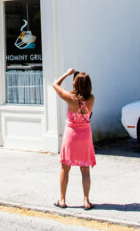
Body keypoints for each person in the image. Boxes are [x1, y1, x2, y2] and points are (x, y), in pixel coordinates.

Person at [51, 67, 95, 210]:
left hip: (71, 135)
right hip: (85, 135)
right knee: (85, 169)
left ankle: (62, 199)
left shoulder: (71, 98)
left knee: (65, 167)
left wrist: (67, 73)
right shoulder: (91, 99)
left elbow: (55, 84)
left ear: (76, 84)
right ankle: (86, 200)